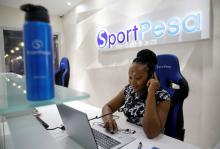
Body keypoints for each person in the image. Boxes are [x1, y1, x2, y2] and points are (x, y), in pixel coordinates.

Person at [102, 49, 171, 139]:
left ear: (151, 76)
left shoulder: (163, 97)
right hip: (129, 137)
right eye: (130, 77)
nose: (132, 82)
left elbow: (151, 133)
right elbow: (108, 107)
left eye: (138, 78)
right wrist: (108, 119)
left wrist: (151, 92)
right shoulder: (129, 90)